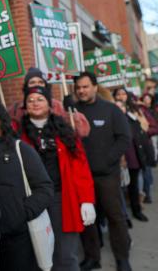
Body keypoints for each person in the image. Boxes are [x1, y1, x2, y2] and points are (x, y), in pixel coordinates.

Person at [13, 85, 95, 271]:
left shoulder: (65, 130)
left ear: (49, 104)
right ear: (25, 106)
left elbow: (80, 168)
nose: (35, 103)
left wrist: (86, 200)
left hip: (62, 199)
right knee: (37, 254)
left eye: (40, 99)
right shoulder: (16, 133)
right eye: (30, 100)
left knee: (65, 256)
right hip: (31, 200)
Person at [0, 97, 53, 270]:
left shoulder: (20, 149)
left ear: (1, 117)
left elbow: (45, 188)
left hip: (18, 238)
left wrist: (22, 213)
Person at [74, 72, 132, 271]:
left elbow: (125, 138)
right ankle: (92, 257)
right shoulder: (71, 113)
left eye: (85, 86)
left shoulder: (110, 110)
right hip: (82, 177)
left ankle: (122, 258)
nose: (81, 90)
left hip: (107, 175)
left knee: (115, 217)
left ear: (95, 87)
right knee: (87, 219)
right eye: (78, 87)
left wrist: (107, 160)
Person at [8, 67, 90, 137]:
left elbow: (83, 132)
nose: (37, 85)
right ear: (26, 86)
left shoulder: (57, 106)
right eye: (32, 82)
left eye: (41, 82)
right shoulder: (16, 109)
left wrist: (71, 113)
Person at [112, 94, 148, 222]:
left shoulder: (131, 119)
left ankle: (136, 210)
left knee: (134, 186)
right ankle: (123, 217)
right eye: (116, 107)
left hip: (133, 158)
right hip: (118, 160)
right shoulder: (111, 122)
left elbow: (140, 134)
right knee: (119, 190)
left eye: (121, 106)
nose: (119, 109)